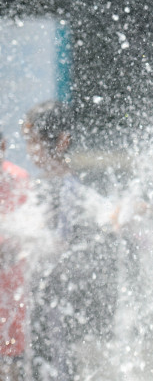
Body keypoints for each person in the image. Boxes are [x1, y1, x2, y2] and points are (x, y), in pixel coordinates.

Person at [23, 101, 117, 380]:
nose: (30, 150)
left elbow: (59, 243)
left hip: (60, 297)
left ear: (62, 141)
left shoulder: (70, 188)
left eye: (35, 142)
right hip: (39, 294)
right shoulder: (38, 185)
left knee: (57, 364)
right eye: (28, 142)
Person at [0, 129, 29, 380]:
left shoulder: (18, 178)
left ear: (3, 146)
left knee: (12, 356)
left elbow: (30, 229)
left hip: (11, 281)